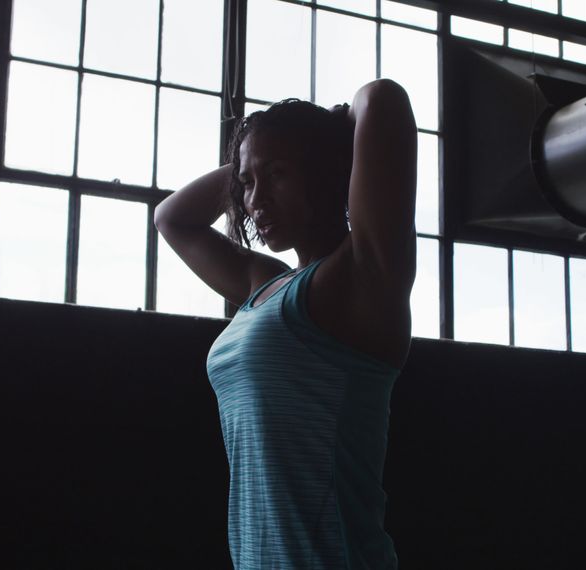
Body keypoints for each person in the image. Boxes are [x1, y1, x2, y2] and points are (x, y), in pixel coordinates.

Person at [153, 78, 417, 569]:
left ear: (325, 171)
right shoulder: (265, 282)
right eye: (247, 185)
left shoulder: (362, 277)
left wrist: (337, 127)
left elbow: (383, 100)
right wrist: (251, 160)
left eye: (277, 175)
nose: (255, 201)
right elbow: (172, 218)